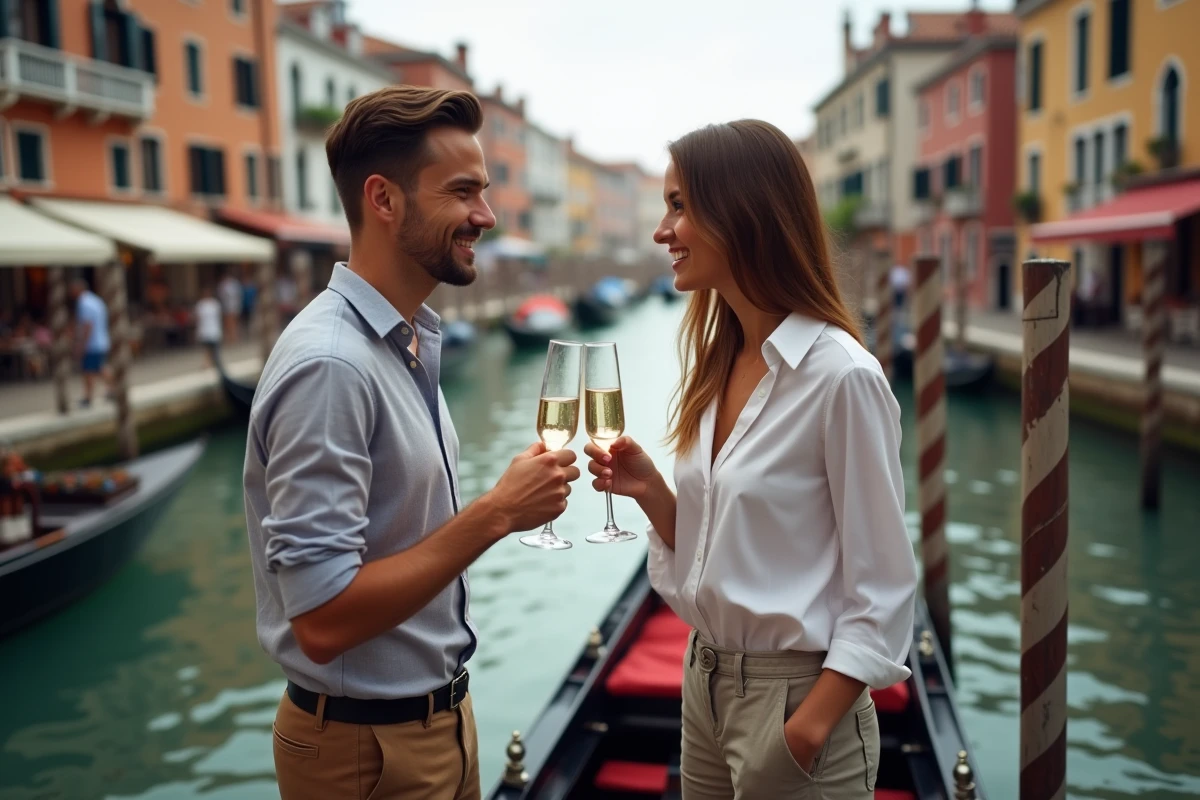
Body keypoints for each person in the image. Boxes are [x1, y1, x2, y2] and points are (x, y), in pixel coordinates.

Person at [243, 86, 580, 800]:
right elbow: (323, 620)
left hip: (435, 726)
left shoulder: (404, 342)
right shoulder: (332, 365)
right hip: (366, 754)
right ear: (383, 200)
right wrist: (496, 514)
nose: (484, 216)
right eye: (463, 193)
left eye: (484, 192)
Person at [583, 120, 917, 798]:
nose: (661, 230)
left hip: (794, 706)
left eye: (679, 205)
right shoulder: (720, 362)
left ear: (742, 212)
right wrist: (651, 491)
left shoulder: (841, 378)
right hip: (701, 682)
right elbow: (715, 550)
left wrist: (805, 729)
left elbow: (881, 587)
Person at [70, 278, 112, 406]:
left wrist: (81, 344)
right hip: (101, 340)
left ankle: (88, 397)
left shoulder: (84, 302)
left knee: (88, 371)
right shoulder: (96, 300)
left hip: (92, 343)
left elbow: (88, 325)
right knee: (98, 368)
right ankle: (113, 389)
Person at [194, 285, 223, 366]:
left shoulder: (215, 303)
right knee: (206, 348)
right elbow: (197, 318)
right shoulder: (200, 304)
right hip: (205, 329)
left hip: (214, 329)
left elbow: (219, 316)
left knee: (214, 348)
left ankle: (211, 362)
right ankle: (207, 362)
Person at [218, 270, 242, 343]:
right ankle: (231, 337)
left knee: (233, 322)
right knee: (229, 323)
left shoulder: (233, 284)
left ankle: (233, 337)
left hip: (232, 306)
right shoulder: (224, 285)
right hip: (228, 306)